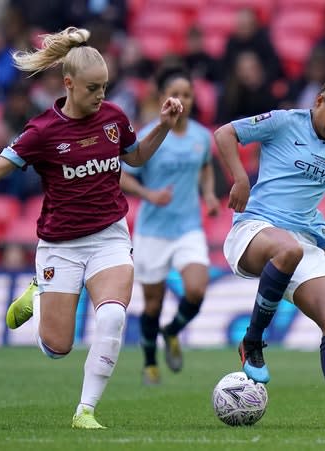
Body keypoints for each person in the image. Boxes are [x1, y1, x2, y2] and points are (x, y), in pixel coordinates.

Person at [0, 27, 183, 430]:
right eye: (92, 88)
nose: (101, 96)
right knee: (57, 348)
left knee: (112, 318)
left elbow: (136, 156)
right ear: (69, 84)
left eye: (105, 87)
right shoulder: (43, 131)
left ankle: (85, 411)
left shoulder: (113, 119)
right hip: (61, 246)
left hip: (110, 236)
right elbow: (0, 167)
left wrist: (161, 125)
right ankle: (37, 295)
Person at [213, 66, 325, 429]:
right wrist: (241, 178)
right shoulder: (283, 121)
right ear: (319, 100)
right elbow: (225, 133)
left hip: (303, 239)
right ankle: (253, 341)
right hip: (255, 228)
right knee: (286, 251)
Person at [120, 66, 220, 385]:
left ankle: (172, 330)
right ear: (163, 98)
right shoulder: (148, 136)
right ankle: (150, 362)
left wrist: (209, 195)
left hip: (189, 226)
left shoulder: (202, 137)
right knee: (153, 302)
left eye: (187, 94)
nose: (182, 100)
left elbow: (205, 168)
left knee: (196, 288)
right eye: (175, 94)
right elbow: (121, 174)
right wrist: (148, 193)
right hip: (152, 231)